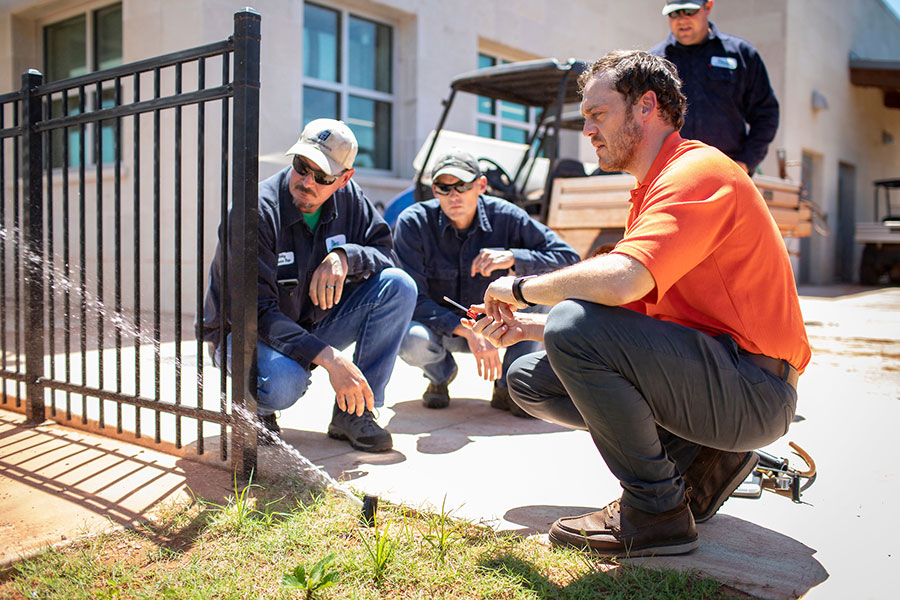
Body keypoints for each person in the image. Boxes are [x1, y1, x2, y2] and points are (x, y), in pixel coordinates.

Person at [466, 50, 810, 557]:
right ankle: (701, 463)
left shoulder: (697, 172)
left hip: (755, 387)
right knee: (528, 380)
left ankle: (655, 512)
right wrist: (529, 327)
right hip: (718, 373)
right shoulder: (651, 191)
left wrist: (520, 288)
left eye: (597, 114)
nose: (587, 130)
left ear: (646, 106)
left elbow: (624, 281)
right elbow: (632, 318)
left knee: (572, 327)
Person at [201, 118, 416, 452]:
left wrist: (346, 257)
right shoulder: (255, 211)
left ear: (345, 179)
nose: (306, 181)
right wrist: (329, 358)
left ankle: (355, 412)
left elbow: (387, 254)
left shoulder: (352, 201)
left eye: (322, 176)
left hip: (309, 322)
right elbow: (253, 310)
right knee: (285, 383)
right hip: (244, 333)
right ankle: (259, 409)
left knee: (398, 286)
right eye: (302, 166)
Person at [393, 149, 580, 415]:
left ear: (481, 185)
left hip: (501, 325)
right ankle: (440, 376)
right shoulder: (414, 223)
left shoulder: (507, 216)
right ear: (434, 190)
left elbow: (567, 259)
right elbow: (412, 299)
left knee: (540, 293)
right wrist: (467, 330)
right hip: (444, 329)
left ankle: (510, 385)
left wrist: (514, 258)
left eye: (462, 185)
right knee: (410, 338)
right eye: (444, 187)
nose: (454, 194)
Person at [649, 0, 779, 175]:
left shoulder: (741, 55)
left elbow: (766, 113)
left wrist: (746, 161)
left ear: (708, 7)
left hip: (726, 172)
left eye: (689, 11)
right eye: (674, 13)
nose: (682, 20)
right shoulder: (654, 62)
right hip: (668, 172)